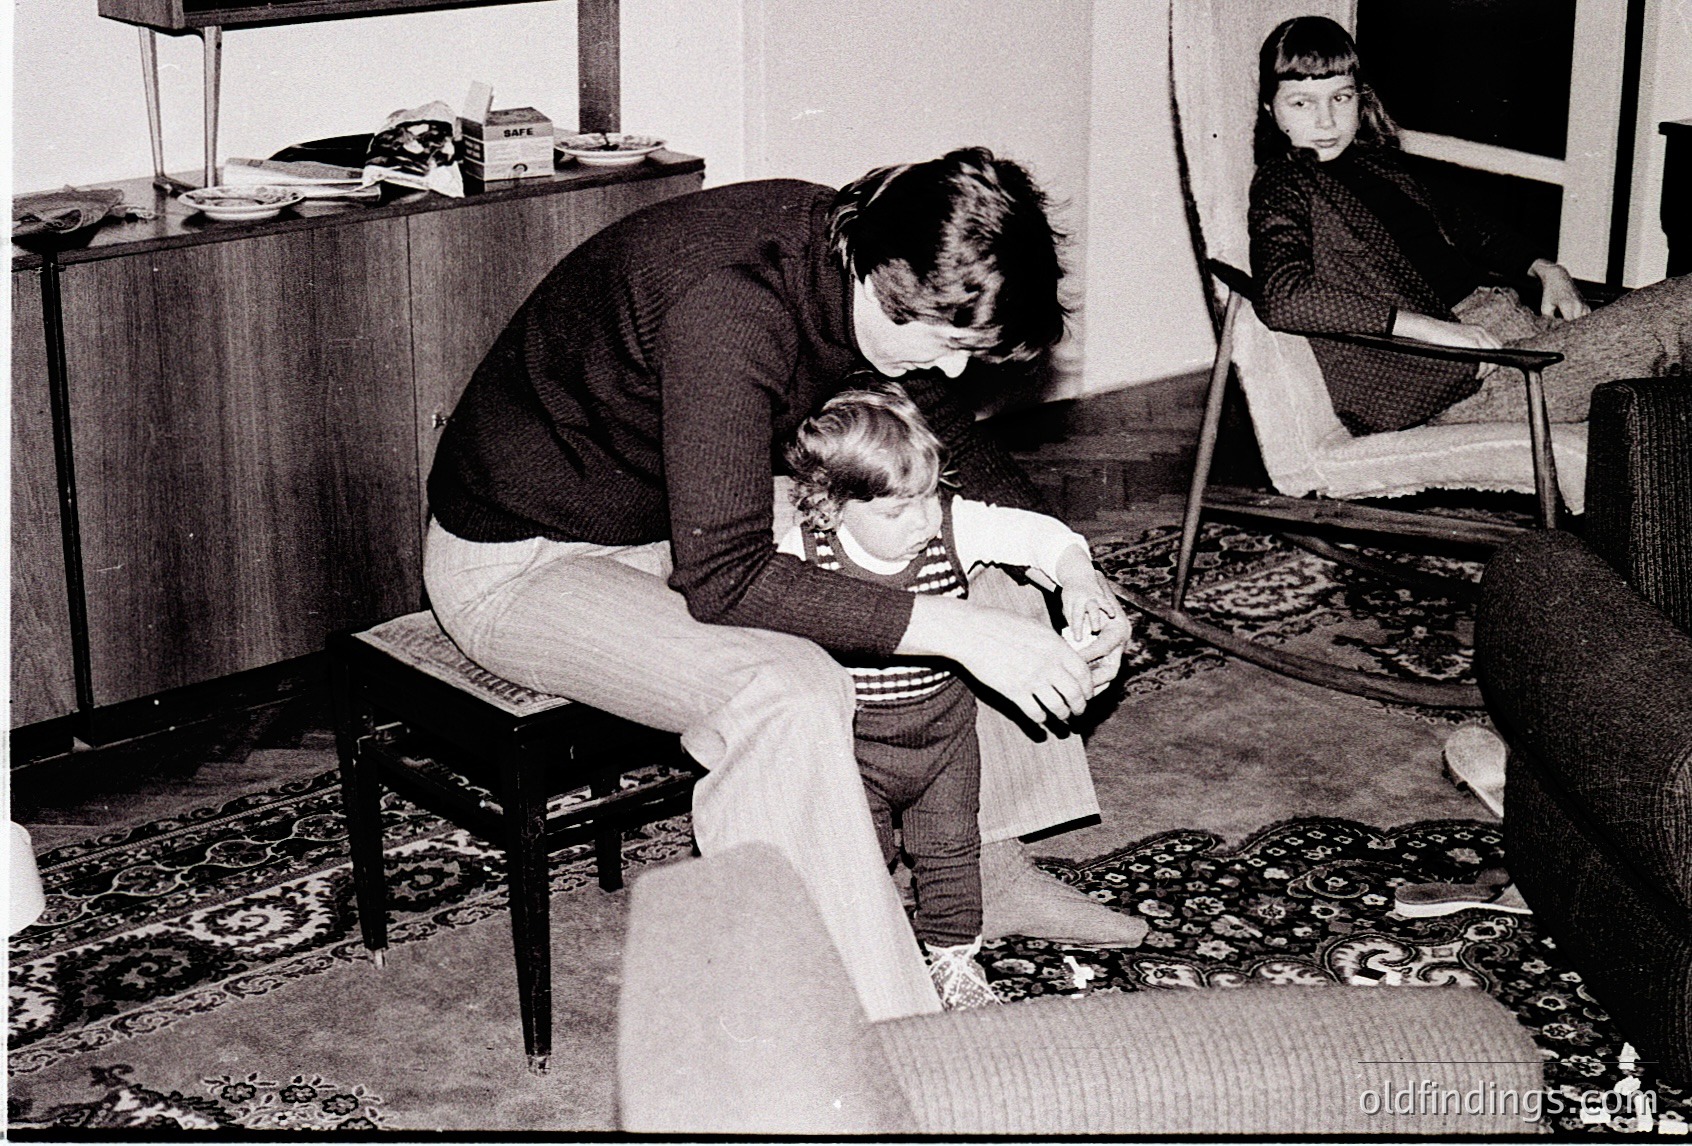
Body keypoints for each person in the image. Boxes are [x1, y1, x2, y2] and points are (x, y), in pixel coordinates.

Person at [423, 148, 1143, 1022]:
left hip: (676, 508)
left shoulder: (858, 250)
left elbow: (949, 439)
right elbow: (723, 576)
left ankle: (984, 873)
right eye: (949, 345)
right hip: (530, 557)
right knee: (787, 693)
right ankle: (862, 1023)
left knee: (989, 577)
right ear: (885, 284)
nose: (953, 371)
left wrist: (1070, 568)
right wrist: (952, 632)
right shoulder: (732, 303)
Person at [779, 382, 1144, 1010]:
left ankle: (955, 961)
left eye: (929, 495)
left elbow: (1044, 538)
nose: (923, 520)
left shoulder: (949, 528)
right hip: (851, 751)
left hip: (943, 743)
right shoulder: (801, 555)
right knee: (859, 864)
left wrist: (1080, 579)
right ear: (829, 507)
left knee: (951, 852)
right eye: (898, 510)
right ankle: (869, 967)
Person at [1249, 16, 1691, 437]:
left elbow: (1463, 224)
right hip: (1466, 380)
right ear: (1271, 109)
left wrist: (1543, 267)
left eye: (1340, 98)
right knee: (1683, 305)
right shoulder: (1285, 182)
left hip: (1513, 337)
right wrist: (1432, 329)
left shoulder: (1371, 166)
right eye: (1302, 103)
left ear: (1360, 99)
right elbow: (1283, 295)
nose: (1325, 121)